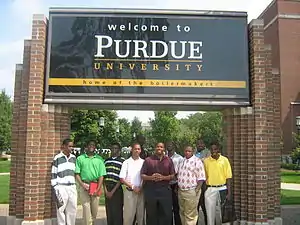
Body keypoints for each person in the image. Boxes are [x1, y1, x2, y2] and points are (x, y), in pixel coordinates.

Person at [141, 142, 175, 225]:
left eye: (161, 147)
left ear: (164, 149)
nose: (159, 148)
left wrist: (163, 177)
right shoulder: (148, 160)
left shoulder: (168, 160)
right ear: (155, 148)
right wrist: (151, 177)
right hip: (151, 190)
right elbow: (142, 175)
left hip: (165, 190)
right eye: (157, 147)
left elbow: (172, 175)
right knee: (151, 214)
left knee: (166, 214)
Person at [75, 140, 107, 225]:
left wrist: (98, 188)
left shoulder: (99, 159)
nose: (91, 146)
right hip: (84, 185)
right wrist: (82, 184)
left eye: (93, 145)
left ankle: (91, 222)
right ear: (86, 147)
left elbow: (101, 176)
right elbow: (77, 174)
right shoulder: (80, 158)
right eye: (90, 145)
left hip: (96, 185)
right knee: (86, 207)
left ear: (95, 147)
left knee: (94, 209)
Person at [204, 141, 232, 225]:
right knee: (210, 214)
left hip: (222, 188)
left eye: (215, 149)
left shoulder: (225, 160)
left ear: (218, 149)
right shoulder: (206, 161)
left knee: (223, 214)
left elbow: (228, 177)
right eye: (211, 149)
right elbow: (204, 177)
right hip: (210, 188)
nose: (213, 151)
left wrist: (229, 193)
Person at [51, 138, 77, 225]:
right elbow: (53, 174)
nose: (71, 148)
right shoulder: (57, 158)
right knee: (60, 209)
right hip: (61, 187)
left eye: (72, 146)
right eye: (69, 146)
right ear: (64, 146)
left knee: (72, 209)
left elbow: (75, 173)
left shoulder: (74, 158)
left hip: (72, 187)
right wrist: (56, 188)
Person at [177, 145, 206, 225]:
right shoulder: (182, 160)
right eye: (186, 151)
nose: (187, 152)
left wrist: (196, 191)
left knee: (190, 214)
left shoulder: (197, 161)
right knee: (182, 212)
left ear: (193, 152)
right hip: (181, 191)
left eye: (189, 151)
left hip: (191, 191)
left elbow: (201, 178)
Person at [119, 143, 145, 225]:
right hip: (129, 192)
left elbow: (145, 177)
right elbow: (122, 178)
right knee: (128, 217)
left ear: (140, 150)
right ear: (132, 150)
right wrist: (133, 187)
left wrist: (140, 187)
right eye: (135, 149)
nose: (137, 150)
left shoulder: (144, 162)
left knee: (141, 217)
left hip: (141, 192)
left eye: (138, 149)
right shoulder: (126, 162)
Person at [104, 142, 125, 225]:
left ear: (119, 150)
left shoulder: (123, 161)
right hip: (107, 188)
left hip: (117, 188)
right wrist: (105, 191)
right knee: (109, 211)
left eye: (116, 148)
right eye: (112, 148)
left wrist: (112, 191)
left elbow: (121, 178)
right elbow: (103, 177)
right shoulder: (106, 161)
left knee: (117, 212)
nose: (114, 150)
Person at [166, 140, 183, 225]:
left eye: (170, 144)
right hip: (165, 185)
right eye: (167, 144)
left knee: (176, 208)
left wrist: (177, 185)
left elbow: (181, 172)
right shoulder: (163, 157)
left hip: (175, 184)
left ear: (174, 146)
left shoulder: (179, 158)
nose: (169, 146)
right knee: (167, 208)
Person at [195, 139, 210, 225]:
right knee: (195, 206)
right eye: (198, 144)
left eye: (201, 143)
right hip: (194, 182)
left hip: (204, 183)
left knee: (205, 206)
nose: (200, 145)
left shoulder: (208, 152)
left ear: (204, 144)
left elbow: (206, 161)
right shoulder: (194, 152)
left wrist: (198, 160)